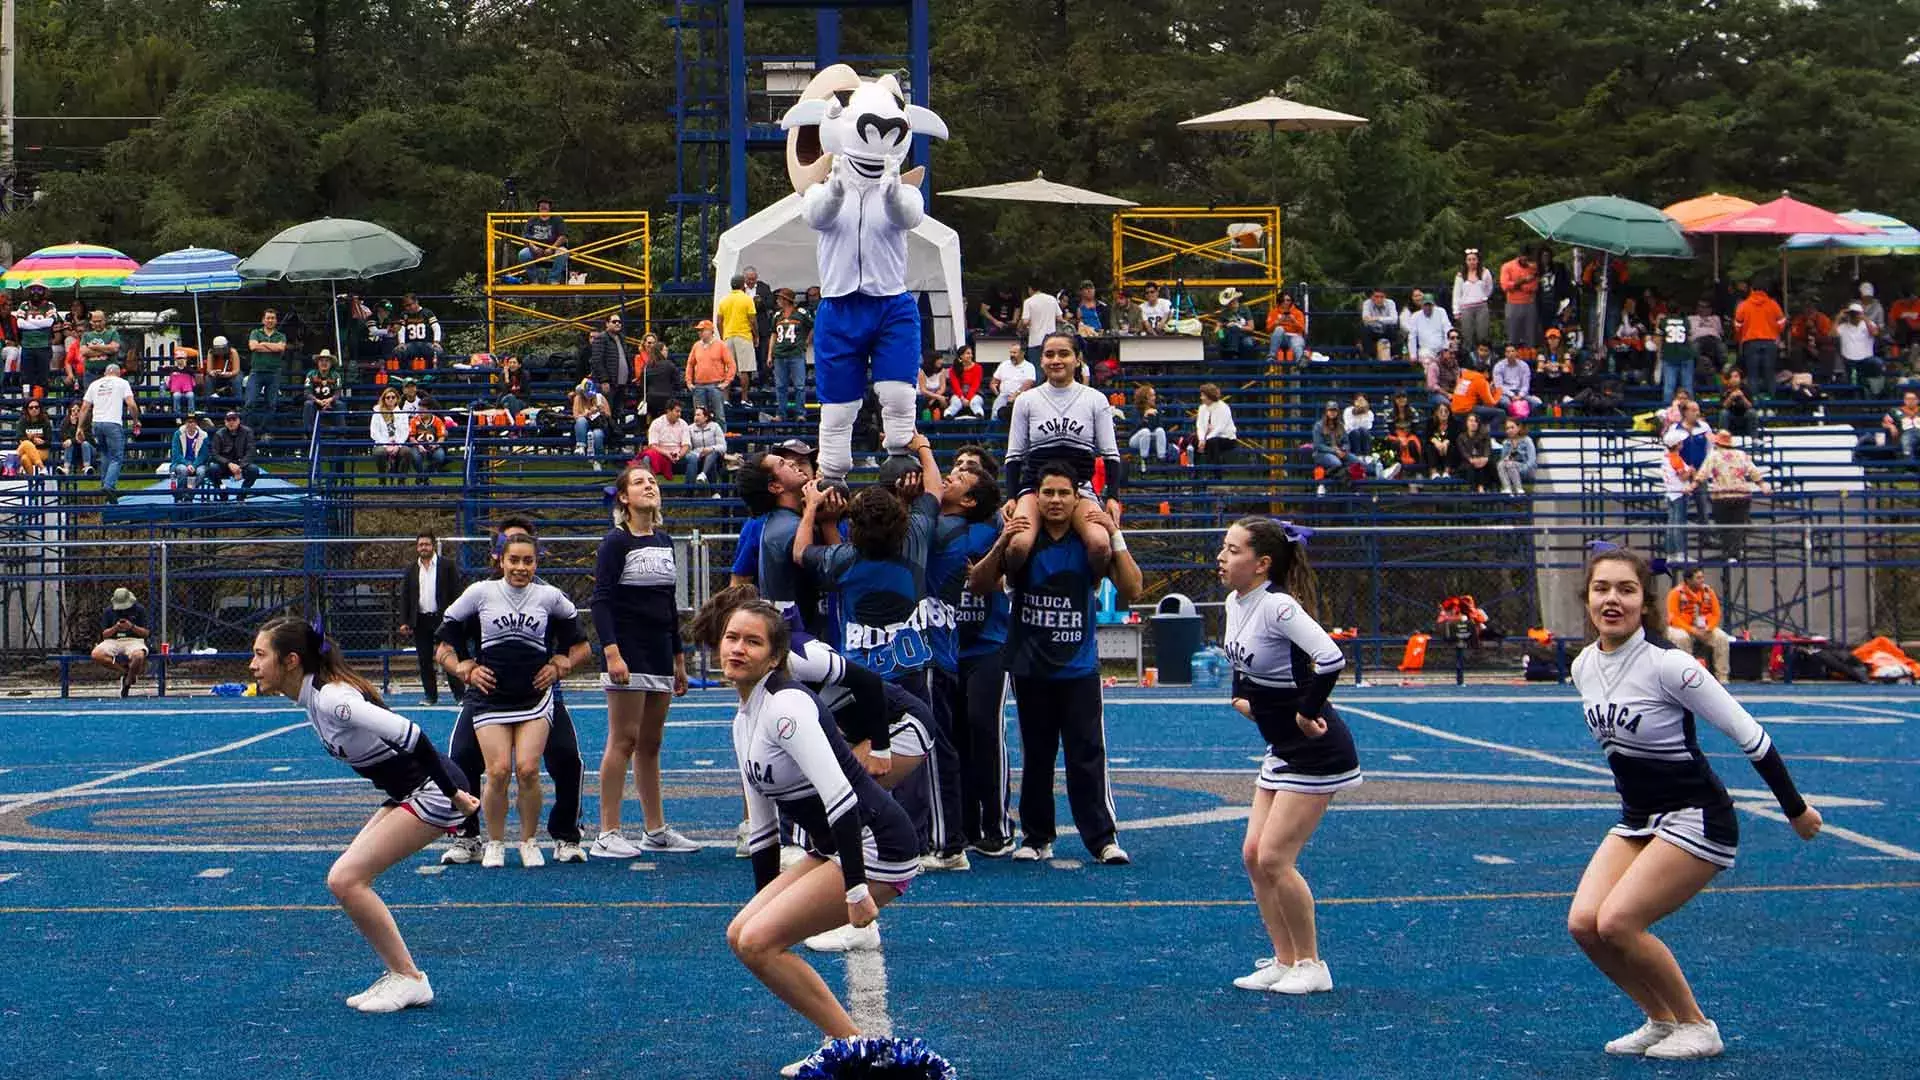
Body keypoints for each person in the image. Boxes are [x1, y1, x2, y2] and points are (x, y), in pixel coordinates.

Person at [1567, 548, 1819, 1060]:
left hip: (1698, 817)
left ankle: (1697, 1025)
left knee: (1617, 923)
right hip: (1639, 819)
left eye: (1626, 589)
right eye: (1602, 589)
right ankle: (1660, 1020)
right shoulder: (1582, 666)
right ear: (1587, 597)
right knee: (1585, 925)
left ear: (1645, 601)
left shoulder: (1671, 666)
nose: (1612, 599)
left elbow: (1751, 736)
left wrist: (1795, 809)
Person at [719, 600, 922, 1076]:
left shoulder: (787, 706)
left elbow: (842, 799)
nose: (738, 649)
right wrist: (765, 899)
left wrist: (855, 891)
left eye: (752, 641)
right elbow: (764, 826)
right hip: (834, 844)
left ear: (775, 657)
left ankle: (854, 1052)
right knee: (741, 934)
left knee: (758, 944)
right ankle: (850, 1047)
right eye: (732, 638)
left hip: (879, 844)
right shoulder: (744, 719)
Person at [248, 616, 477, 1014]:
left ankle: (409, 978)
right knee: (345, 881)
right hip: (408, 790)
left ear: (290, 660)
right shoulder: (310, 696)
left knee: (346, 879)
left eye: (259, 654)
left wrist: (454, 792)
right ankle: (401, 974)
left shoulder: (333, 699)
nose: (252, 664)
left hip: (433, 792)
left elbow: (412, 734)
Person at [966, 463, 1142, 865]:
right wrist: (1000, 544)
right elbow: (978, 585)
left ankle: (1102, 837)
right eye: (1048, 493)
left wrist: (1115, 533)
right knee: (1038, 755)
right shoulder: (1022, 544)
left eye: (1064, 493)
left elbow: (1133, 588)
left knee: (1087, 753)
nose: (1056, 500)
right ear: (1037, 497)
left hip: (1078, 668)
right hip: (1032, 667)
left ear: (1077, 498)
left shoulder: (1089, 543)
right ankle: (1036, 835)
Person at [1214, 518, 1359, 996]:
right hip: (1280, 750)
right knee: (1254, 855)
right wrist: (1242, 700)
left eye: (1233, 550)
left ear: (1262, 564)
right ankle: (1284, 959)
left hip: (1316, 752)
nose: (1222, 556)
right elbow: (1241, 669)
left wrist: (1306, 711)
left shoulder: (1278, 606)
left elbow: (1331, 658)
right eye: (1224, 547)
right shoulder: (1236, 603)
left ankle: (1313, 964)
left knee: (1276, 858)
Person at [438, 516, 589, 865]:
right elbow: (442, 646)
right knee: (463, 757)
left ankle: (565, 835)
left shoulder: (548, 597)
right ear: (498, 555)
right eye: (511, 552)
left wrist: (560, 664)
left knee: (565, 757)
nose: (520, 563)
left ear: (535, 555)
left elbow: (580, 648)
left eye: (527, 554)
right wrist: (464, 667)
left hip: (539, 692)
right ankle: (468, 836)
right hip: (488, 693)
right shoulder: (479, 595)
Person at [590, 466, 697, 858]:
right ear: (623, 498)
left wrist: (679, 658)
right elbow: (601, 601)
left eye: (651, 481)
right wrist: (612, 652)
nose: (649, 485)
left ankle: (655, 830)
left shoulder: (666, 540)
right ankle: (607, 832)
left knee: (651, 743)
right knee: (624, 739)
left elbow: (668, 604)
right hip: (628, 651)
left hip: (659, 654)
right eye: (639, 482)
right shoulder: (615, 544)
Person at [792, 436, 942, 691]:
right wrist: (924, 448)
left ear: (853, 526)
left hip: (861, 670)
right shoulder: (915, 537)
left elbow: (800, 552)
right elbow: (934, 491)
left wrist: (814, 512)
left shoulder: (844, 558)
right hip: (911, 666)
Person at [1001, 333, 1124, 577]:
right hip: (1035, 488)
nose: (1056, 360)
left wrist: (1112, 497)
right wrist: (1012, 496)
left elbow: (1111, 454)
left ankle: (1089, 586)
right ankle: (1016, 589)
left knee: (1100, 544)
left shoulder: (1095, 399)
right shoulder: (1026, 400)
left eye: (1064, 354)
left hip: (1079, 488)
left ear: (1078, 359)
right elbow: (1014, 456)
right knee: (1018, 544)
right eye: (1049, 354)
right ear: (1041, 361)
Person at [398, 532, 464, 705]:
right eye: (420, 545)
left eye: (426, 544)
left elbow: (457, 593)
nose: (423, 548)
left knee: (449, 657)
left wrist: (456, 618)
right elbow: (405, 596)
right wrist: (404, 621)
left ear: (433, 545)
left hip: (443, 619)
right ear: (417, 547)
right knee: (424, 660)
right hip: (421, 620)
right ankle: (430, 696)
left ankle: (460, 695)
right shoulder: (411, 569)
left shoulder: (447, 566)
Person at [1697, 431, 1769, 561]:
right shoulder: (1741, 455)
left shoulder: (1713, 456)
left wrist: (1692, 485)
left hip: (1721, 495)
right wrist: (1762, 485)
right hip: (1741, 494)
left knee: (1724, 526)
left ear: (1717, 443)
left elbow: (1703, 473)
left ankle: (1729, 552)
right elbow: (1753, 471)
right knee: (1737, 525)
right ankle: (1734, 552)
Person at [77, 362, 139, 501]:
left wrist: (79, 427)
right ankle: (109, 485)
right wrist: (135, 420)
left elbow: (84, 407)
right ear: (119, 373)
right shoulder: (122, 383)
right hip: (113, 422)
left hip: (97, 423)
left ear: (105, 373)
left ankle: (104, 483)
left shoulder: (95, 384)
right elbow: (131, 404)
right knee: (117, 457)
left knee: (105, 453)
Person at [1665, 566, 1732, 682]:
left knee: (1721, 637)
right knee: (1681, 638)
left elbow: (1716, 613)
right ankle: (1685, 674)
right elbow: (1673, 617)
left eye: (1702, 577)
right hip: (1681, 628)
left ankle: (1722, 676)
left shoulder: (1708, 591)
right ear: (1688, 580)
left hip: (1704, 628)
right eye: (1698, 578)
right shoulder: (1675, 593)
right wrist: (1692, 630)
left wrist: (1709, 628)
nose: (1702, 580)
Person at [92, 587, 150, 696]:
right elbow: (104, 634)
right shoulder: (108, 611)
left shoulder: (139, 610)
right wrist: (116, 628)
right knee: (96, 654)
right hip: (113, 640)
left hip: (134, 640)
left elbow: (146, 633)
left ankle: (128, 681)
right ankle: (126, 673)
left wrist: (131, 627)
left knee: (138, 656)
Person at [1732, 282, 1785, 397]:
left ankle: (1754, 403)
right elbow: (1782, 323)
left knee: (1752, 375)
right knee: (1770, 373)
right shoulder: (1773, 304)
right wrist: (1774, 332)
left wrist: (1742, 335)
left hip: (1750, 342)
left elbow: (1737, 325)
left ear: (1752, 289)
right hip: (1770, 342)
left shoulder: (1744, 305)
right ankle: (1772, 403)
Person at [770, 289, 813, 421]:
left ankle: (800, 413)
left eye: (780, 299)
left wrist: (806, 342)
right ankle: (781, 413)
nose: (778, 301)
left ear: (786, 300)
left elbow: (813, 325)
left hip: (796, 353)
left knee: (799, 385)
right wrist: (770, 354)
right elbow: (774, 334)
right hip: (780, 354)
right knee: (780, 386)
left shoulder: (801, 313)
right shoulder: (777, 315)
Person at [685, 319, 736, 429]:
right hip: (699, 385)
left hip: (715, 384)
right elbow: (690, 364)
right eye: (699, 330)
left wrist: (726, 382)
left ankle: (721, 442)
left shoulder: (720, 345)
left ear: (710, 331)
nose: (700, 332)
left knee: (719, 416)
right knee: (699, 417)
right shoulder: (696, 346)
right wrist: (689, 382)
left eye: (702, 330)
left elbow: (731, 364)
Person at [244, 309, 289, 433]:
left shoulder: (281, 336)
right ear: (263, 320)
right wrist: (272, 347)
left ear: (276, 320)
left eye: (273, 318)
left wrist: (262, 344)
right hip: (256, 372)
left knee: (271, 405)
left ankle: (265, 431)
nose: (270, 320)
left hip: (274, 373)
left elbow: (280, 348)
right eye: (268, 318)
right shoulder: (255, 332)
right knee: (250, 402)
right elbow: (253, 346)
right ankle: (247, 431)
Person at [716, 275, 759, 401]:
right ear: (743, 285)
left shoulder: (724, 300)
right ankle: (744, 398)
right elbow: (752, 320)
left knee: (728, 369)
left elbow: (719, 321)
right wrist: (756, 335)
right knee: (744, 370)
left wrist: (723, 335)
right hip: (744, 336)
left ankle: (725, 399)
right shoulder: (747, 299)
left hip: (728, 336)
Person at [1453, 248, 1496, 354]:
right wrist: (1456, 311)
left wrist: (1483, 297)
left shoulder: (1485, 272)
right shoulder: (1460, 275)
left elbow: (1489, 288)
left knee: (1483, 335)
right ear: (1466, 261)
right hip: (1466, 308)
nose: (1472, 262)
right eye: (1469, 259)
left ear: (1478, 260)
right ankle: (1469, 359)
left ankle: (1484, 358)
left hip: (1481, 307)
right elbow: (1457, 294)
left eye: (1474, 259)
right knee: (1467, 335)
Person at [517, 196, 569, 283]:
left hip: (554, 248)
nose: (544, 206)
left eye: (546, 204)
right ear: (538, 207)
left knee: (563, 252)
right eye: (541, 204)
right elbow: (525, 237)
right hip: (535, 249)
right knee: (523, 254)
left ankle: (553, 279)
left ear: (550, 207)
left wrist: (552, 248)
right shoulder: (532, 219)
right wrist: (534, 248)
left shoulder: (557, 219)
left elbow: (563, 236)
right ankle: (534, 279)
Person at [370, 386, 415, 485]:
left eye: (393, 397)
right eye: (388, 397)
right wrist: (386, 446)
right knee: (380, 452)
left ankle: (401, 481)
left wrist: (397, 446)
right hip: (381, 444)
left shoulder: (402, 414)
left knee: (406, 451)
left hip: (398, 444)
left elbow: (405, 432)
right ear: (384, 399)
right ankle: (382, 481)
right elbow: (374, 432)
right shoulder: (377, 413)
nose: (390, 399)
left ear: (397, 399)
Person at [638, 399, 692, 481]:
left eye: (680, 412)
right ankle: (649, 487)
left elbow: (686, 445)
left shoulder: (683, 424)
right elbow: (653, 445)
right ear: (668, 411)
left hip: (678, 456)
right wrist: (667, 453)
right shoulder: (657, 423)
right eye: (677, 411)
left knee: (693, 458)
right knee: (646, 458)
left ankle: (690, 491)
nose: (679, 414)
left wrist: (679, 455)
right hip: (661, 455)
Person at [167, 412, 211, 502]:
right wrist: (188, 464)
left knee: (201, 472)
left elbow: (204, 455)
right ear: (185, 423)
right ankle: (178, 497)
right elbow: (176, 454)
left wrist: (194, 465)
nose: (190, 424)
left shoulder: (204, 435)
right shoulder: (178, 434)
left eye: (193, 422)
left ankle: (189, 496)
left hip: (198, 463)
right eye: (188, 422)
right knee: (183, 470)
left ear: (196, 423)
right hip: (180, 462)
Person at [1499, 251, 1540, 348]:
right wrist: (1523, 281)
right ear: (1519, 256)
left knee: (1530, 335)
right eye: (1524, 258)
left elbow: (1534, 287)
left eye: (1528, 259)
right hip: (1513, 304)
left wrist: (1516, 286)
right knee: (1513, 335)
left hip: (1529, 303)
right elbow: (1505, 286)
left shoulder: (1533, 267)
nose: (1526, 261)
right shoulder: (1507, 266)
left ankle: (1529, 356)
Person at [571, 378, 612, 470]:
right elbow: (576, 416)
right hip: (584, 425)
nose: (588, 396)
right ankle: (580, 446)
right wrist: (588, 413)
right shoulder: (578, 398)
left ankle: (597, 460)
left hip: (599, 424)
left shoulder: (600, 397)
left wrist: (601, 411)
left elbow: (608, 415)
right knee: (581, 420)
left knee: (597, 435)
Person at [990, 342, 1037, 420]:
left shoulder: (1029, 366)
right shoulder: (1004, 364)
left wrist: (1016, 394)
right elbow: (994, 381)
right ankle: (994, 428)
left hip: (1021, 396)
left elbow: (1029, 383)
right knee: (996, 408)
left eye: (1014, 353)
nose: (1012, 355)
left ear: (1022, 353)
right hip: (1004, 395)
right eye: (1011, 352)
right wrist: (995, 390)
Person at [302, 350, 342, 438]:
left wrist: (330, 400)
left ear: (331, 363)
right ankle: (308, 433)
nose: (324, 363)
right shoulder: (311, 374)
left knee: (339, 404)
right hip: (315, 402)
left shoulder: (336, 375)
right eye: (321, 361)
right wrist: (317, 400)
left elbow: (338, 393)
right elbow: (307, 392)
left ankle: (341, 433)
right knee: (308, 404)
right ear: (317, 363)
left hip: (331, 402)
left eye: (327, 361)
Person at [1128, 384, 1169, 468]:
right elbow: (1135, 428)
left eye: (1154, 395)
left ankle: (1161, 459)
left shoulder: (1156, 410)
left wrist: (1157, 415)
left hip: (1150, 438)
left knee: (1160, 431)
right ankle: (1144, 460)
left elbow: (1160, 427)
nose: (1154, 398)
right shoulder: (1135, 410)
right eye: (1152, 395)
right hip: (1135, 440)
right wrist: (1145, 417)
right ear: (1145, 397)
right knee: (1145, 432)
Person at [687, 404, 727, 485]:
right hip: (698, 457)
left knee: (712, 454)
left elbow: (723, 447)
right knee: (708, 461)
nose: (696, 417)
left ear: (706, 417)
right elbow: (688, 447)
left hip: (716, 457)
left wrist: (710, 449)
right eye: (695, 415)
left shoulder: (715, 426)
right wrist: (699, 453)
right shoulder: (690, 428)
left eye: (698, 415)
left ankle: (703, 474)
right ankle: (714, 493)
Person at [12, 397, 53, 476]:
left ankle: (12, 464)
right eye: (31, 407)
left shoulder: (45, 422)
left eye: (36, 407)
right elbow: (19, 438)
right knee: (24, 458)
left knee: (26, 443)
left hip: (42, 450)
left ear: (40, 409)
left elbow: (48, 441)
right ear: (27, 409)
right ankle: (40, 471)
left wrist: (41, 443)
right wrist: (33, 439)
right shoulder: (22, 421)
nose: (34, 409)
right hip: (27, 451)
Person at [1496, 417, 1537, 496]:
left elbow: (1532, 460)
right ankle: (1507, 489)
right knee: (1500, 464)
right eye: (1507, 428)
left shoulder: (1527, 440)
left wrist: (1520, 469)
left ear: (1518, 428)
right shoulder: (1506, 443)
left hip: (1527, 470)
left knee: (1510, 464)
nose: (1510, 430)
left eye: (1512, 427)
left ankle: (1519, 490)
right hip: (1511, 470)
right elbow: (1503, 460)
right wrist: (1507, 458)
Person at [944, 344, 985, 420]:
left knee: (974, 402)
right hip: (958, 393)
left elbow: (975, 385)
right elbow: (955, 385)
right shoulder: (953, 369)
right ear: (961, 356)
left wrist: (968, 398)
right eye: (968, 353)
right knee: (956, 403)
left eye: (971, 353)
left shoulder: (978, 368)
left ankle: (979, 415)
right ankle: (948, 414)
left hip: (975, 393)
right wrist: (962, 398)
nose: (971, 356)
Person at [1457, 411, 1494, 493]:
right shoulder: (1461, 437)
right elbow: (1463, 452)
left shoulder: (1484, 435)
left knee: (1488, 465)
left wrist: (1485, 458)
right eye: (1470, 421)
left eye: (1475, 421)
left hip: (1482, 462)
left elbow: (1487, 448)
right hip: (1466, 463)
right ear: (1466, 423)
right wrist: (1471, 459)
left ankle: (1482, 489)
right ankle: (1476, 490)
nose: (1473, 423)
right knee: (1473, 467)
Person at [1267, 292, 1307, 360]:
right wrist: (1278, 321)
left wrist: (1294, 320)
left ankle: (1300, 362)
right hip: (1280, 339)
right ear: (1279, 301)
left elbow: (1303, 329)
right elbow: (1268, 329)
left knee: (1297, 344)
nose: (1285, 302)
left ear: (1291, 301)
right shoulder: (1273, 312)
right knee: (1279, 329)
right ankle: (1272, 356)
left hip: (1295, 336)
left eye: (1288, 300)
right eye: (1283, 300)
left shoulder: (1298, 313)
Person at [1883, 389, 1920, 462]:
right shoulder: (1896, 411)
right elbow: (1884, 423)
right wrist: (1891, 426)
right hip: (1906, 434)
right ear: (1904, 400)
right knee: (1906, 440)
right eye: (1908, 399)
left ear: (1918, 400)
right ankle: (1910, 467)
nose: (1910, 401)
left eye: (1913, 399)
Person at [202, 334, 242, 399]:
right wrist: (213, 373)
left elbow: (236, 370)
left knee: (236, 380)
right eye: (218, 349)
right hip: (217, 375)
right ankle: (208, 402)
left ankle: (238, 403)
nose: (220, 351)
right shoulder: (211, 352)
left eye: (222, 348)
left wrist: (229, 374)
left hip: (232, 374)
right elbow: (209, 370)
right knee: (208, 379)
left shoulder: (233, 352)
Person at [916, 353, 948, 421]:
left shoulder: (942, 371)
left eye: (941, 359)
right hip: (925, 395)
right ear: (932, 360)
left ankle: (940, 427)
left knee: (943, 401)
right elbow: (923, 390)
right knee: (922, 400)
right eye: (939, 359)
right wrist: (937, 397)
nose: (941, 361)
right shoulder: (922, 372)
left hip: (937, 395)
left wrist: (935, 398)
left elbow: (942, 388)